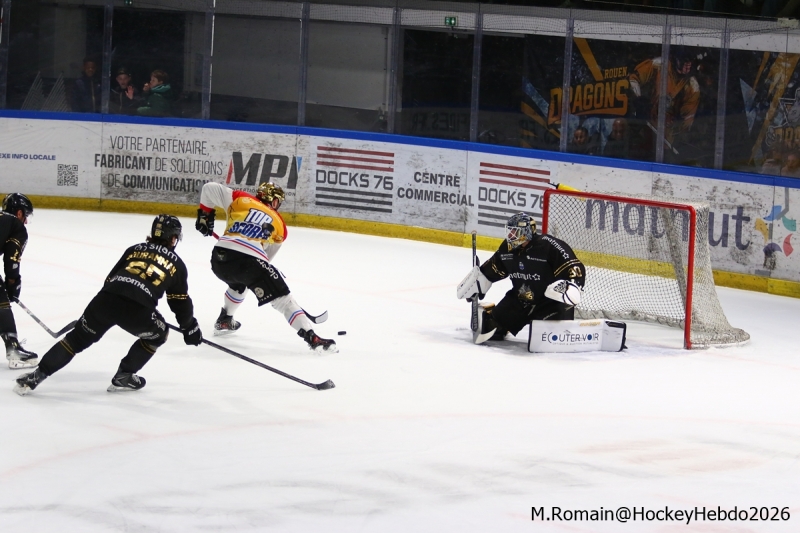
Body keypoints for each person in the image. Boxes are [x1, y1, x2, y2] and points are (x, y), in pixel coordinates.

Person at [14, 215, 203, 395]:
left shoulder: (134, 249)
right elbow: (179, 300)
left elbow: (110, 279)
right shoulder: (177, 264)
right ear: (173, 238)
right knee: (159, 334)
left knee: (76, 339)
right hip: (137, 310)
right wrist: (189, 327)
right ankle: (125, 375)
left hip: (106, 299)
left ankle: (36, 376)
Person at [195, 181, 338, 353]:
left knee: (240, 283)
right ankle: (313, 338)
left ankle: (225, 318)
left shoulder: (239, 198)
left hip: (219, 258)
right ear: (273, 201)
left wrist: (205, 216)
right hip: (249, 263)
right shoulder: (279, 224)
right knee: (284, 300)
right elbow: (265, 257)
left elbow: (208, 188)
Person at [456, 212, 586, 344]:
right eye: (510, 231)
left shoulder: (549, 245)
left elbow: (573, 267)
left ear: (527, 232)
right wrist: (478, 281)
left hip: (549, 303)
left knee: (550, 340)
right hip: (520, 299)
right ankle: (494, 314)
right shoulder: (507, 248)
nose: (511, 235)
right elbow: (495, 267)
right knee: (491, 329)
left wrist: (573, 286)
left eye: (515, 231)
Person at [0, 193, 38, 368]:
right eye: (26, 215)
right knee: (1, 301)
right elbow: (11, 261)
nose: (26, 222)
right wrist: (13, 282)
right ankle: (14, 348)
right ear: (20, 213)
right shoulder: (16, 225)